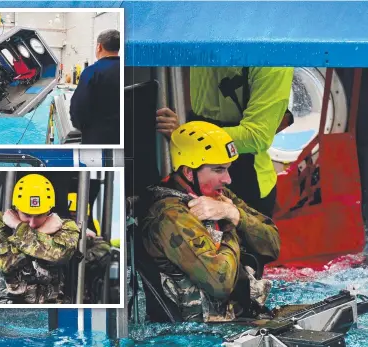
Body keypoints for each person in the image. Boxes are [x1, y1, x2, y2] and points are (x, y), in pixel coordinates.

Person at [137, 121, 281, 323]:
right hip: (196, 336)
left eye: (228, 169)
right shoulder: (170, 215)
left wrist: (234, 214)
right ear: (189, 172)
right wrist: (228, 225)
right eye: (219, 170)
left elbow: (273, 245)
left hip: (233, 316)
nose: (228, 179)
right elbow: (220, 283)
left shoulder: (217, 195)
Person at [156, 67, 294, 217]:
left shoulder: (273, 65)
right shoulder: (201, 45)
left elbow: (255, 136)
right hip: (197, 168)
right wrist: (186, 135)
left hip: (246, 178)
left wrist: (187, 135)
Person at [0, 174, 80, 304]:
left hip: (51, 312)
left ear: (49, 209)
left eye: (39, 215)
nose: (32, 223)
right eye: (26, 215)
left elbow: (59, 255)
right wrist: (41, 231)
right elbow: (2, 264)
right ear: (16, 208)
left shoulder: (65, 226)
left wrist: (19, 228)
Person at [70, 29, 121, 145]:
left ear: (99, 47)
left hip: (97, 138)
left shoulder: (91, 72)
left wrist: (82, 127)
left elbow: (78, 108)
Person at [66, 192, 114, 304]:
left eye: (75, 216)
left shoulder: (93, 238)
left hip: (85, 291)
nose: (74, 222)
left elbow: (103, 250)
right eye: (71, 216)